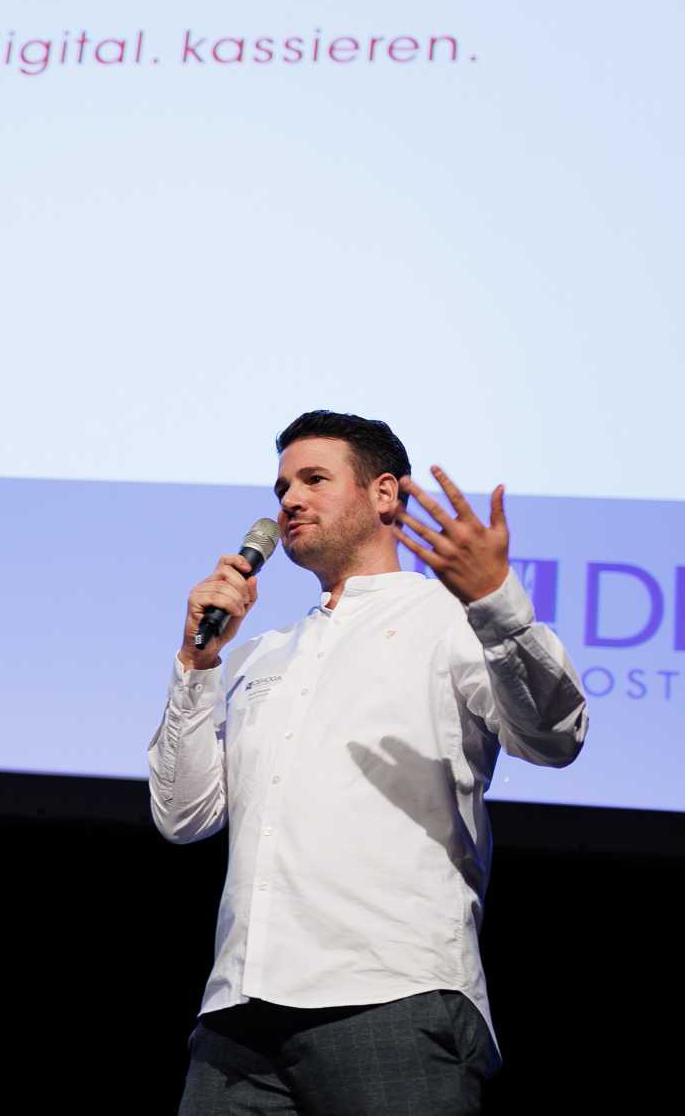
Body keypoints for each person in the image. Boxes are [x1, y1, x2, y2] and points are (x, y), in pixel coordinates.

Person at [149, 410, 588, 1115]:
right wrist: (196, 662)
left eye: (314, 480)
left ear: (384, 494)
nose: (290, 501)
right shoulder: (261, 653)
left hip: (390, 994)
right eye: (282, 488)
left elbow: (555, 737)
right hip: (237, 1018)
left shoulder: (449, 618)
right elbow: (183, 816)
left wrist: (498, 604)